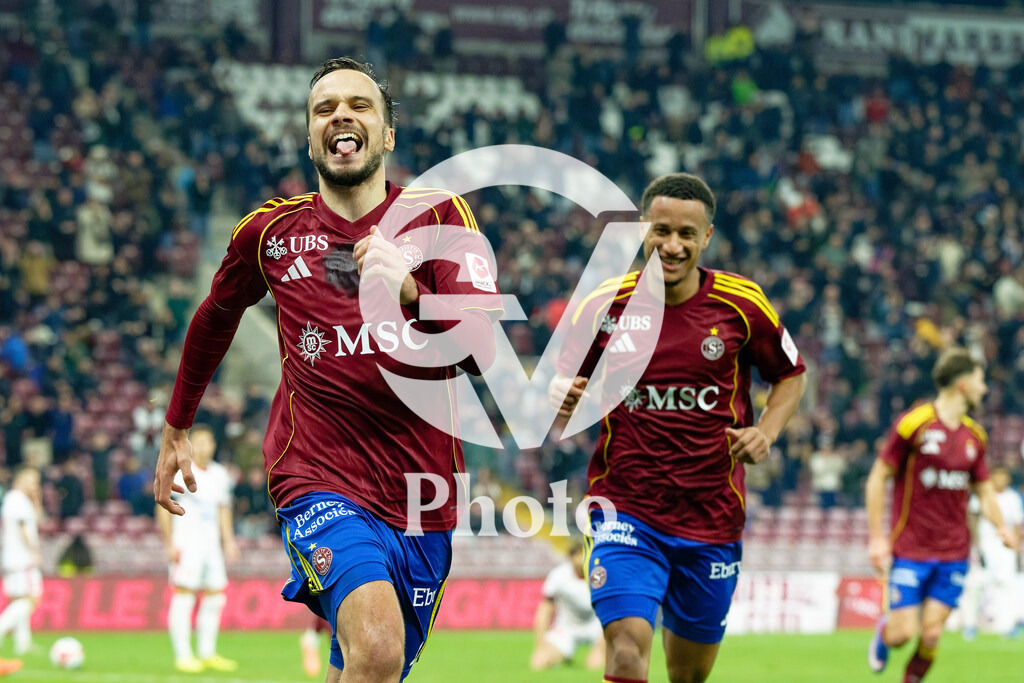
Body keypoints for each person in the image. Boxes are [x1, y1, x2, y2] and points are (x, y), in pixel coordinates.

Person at [154, 57, 501, 683]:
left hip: (424, 493)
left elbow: (484, 351)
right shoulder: (272, 233)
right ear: (310, 135)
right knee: (376, 652)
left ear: (388, 133)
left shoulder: (442, 217)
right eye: (324, 108)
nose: (341, 114)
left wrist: (413, 296)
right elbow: (214, 316)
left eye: (360, 105)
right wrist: (177, 425)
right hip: (317, 478)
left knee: (368, 671)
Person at [550, 172, 807, 683]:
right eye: (660, 230)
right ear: (642, 230)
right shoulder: (602, 304)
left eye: (686, 234)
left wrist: (768, 432)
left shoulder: (743, 305)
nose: (672, 245)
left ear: (706, 237)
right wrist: (558, 396)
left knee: (688, 674)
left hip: (711, 518)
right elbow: (562, 394)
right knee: (625, 652)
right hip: (625, 509)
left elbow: (791, 375)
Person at [865, 348, 1017, 682]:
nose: (985, 389)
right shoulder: (914, 423)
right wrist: (877, 537)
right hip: (911, 548)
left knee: (931, 636)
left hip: (954, 552)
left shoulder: (975, 437)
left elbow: (984, 489)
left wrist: (1002, 528)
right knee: (903, 634)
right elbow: (879, 476)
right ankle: (885, 630)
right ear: (962, 384)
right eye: (980, 381)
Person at [156, 425, 238, 673]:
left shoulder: (220, 474)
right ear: (190, 445)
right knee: (184, 596)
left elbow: (223, 508)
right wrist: (169, 542)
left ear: (214, 445)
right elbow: (162, 507)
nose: (204, 446)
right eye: (198, 441)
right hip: (187, 543)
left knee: (215, 597)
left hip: (211, 544)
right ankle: (183, 655)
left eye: (208, 441)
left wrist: (229, 540)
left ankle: (207, 652)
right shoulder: (179, 471)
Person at [960, 464, 1023, 639]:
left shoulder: (1013, 498)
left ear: (1008, 479)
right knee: (976, 585)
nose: (1000, 480)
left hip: (1005, 549)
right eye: (997, 476)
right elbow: (972, 519)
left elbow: (1017, 525)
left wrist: (1017, 548)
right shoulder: (983, 496)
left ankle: (1007, 625)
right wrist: (976, 545)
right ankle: (970, 625)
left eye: (1003, 477)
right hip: (985, 547)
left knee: (1006, 586)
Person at [530, 543, 605, 672]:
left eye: (586, 553)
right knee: (539, 663)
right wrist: (540, 645)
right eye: (579, 554)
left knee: (595, 666)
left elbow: (610, 610)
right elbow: (544, 611)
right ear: (571, 557)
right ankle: (563, 656)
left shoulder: (601, 575)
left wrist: (602, 646)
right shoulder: (559, 576)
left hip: (596, 627)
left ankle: (599, 654)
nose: (583, 558)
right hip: (566, 628)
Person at [0, 467, 43, 665]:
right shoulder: (18, 499)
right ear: (20, 479)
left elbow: (40, 519)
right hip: (22, 558)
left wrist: (36, 498)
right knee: (32, 599)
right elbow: (23, 528)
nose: (35, 485)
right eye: (32, 480)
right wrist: (33, 551)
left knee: (18, 600)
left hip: (13, 558)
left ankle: (22, 643)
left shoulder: (14, 499)